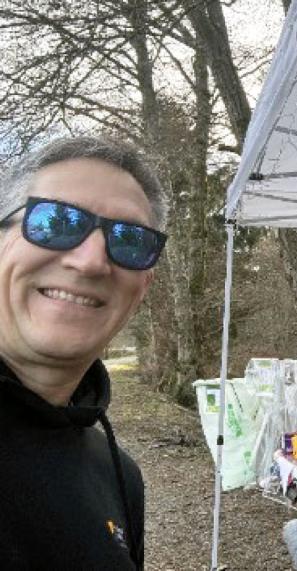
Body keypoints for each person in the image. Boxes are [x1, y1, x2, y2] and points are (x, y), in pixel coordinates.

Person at [0, 136, 167, 568]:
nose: (92, 261)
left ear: (142, 287)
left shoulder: (119, 476)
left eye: (130, 239)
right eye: (57, 221)